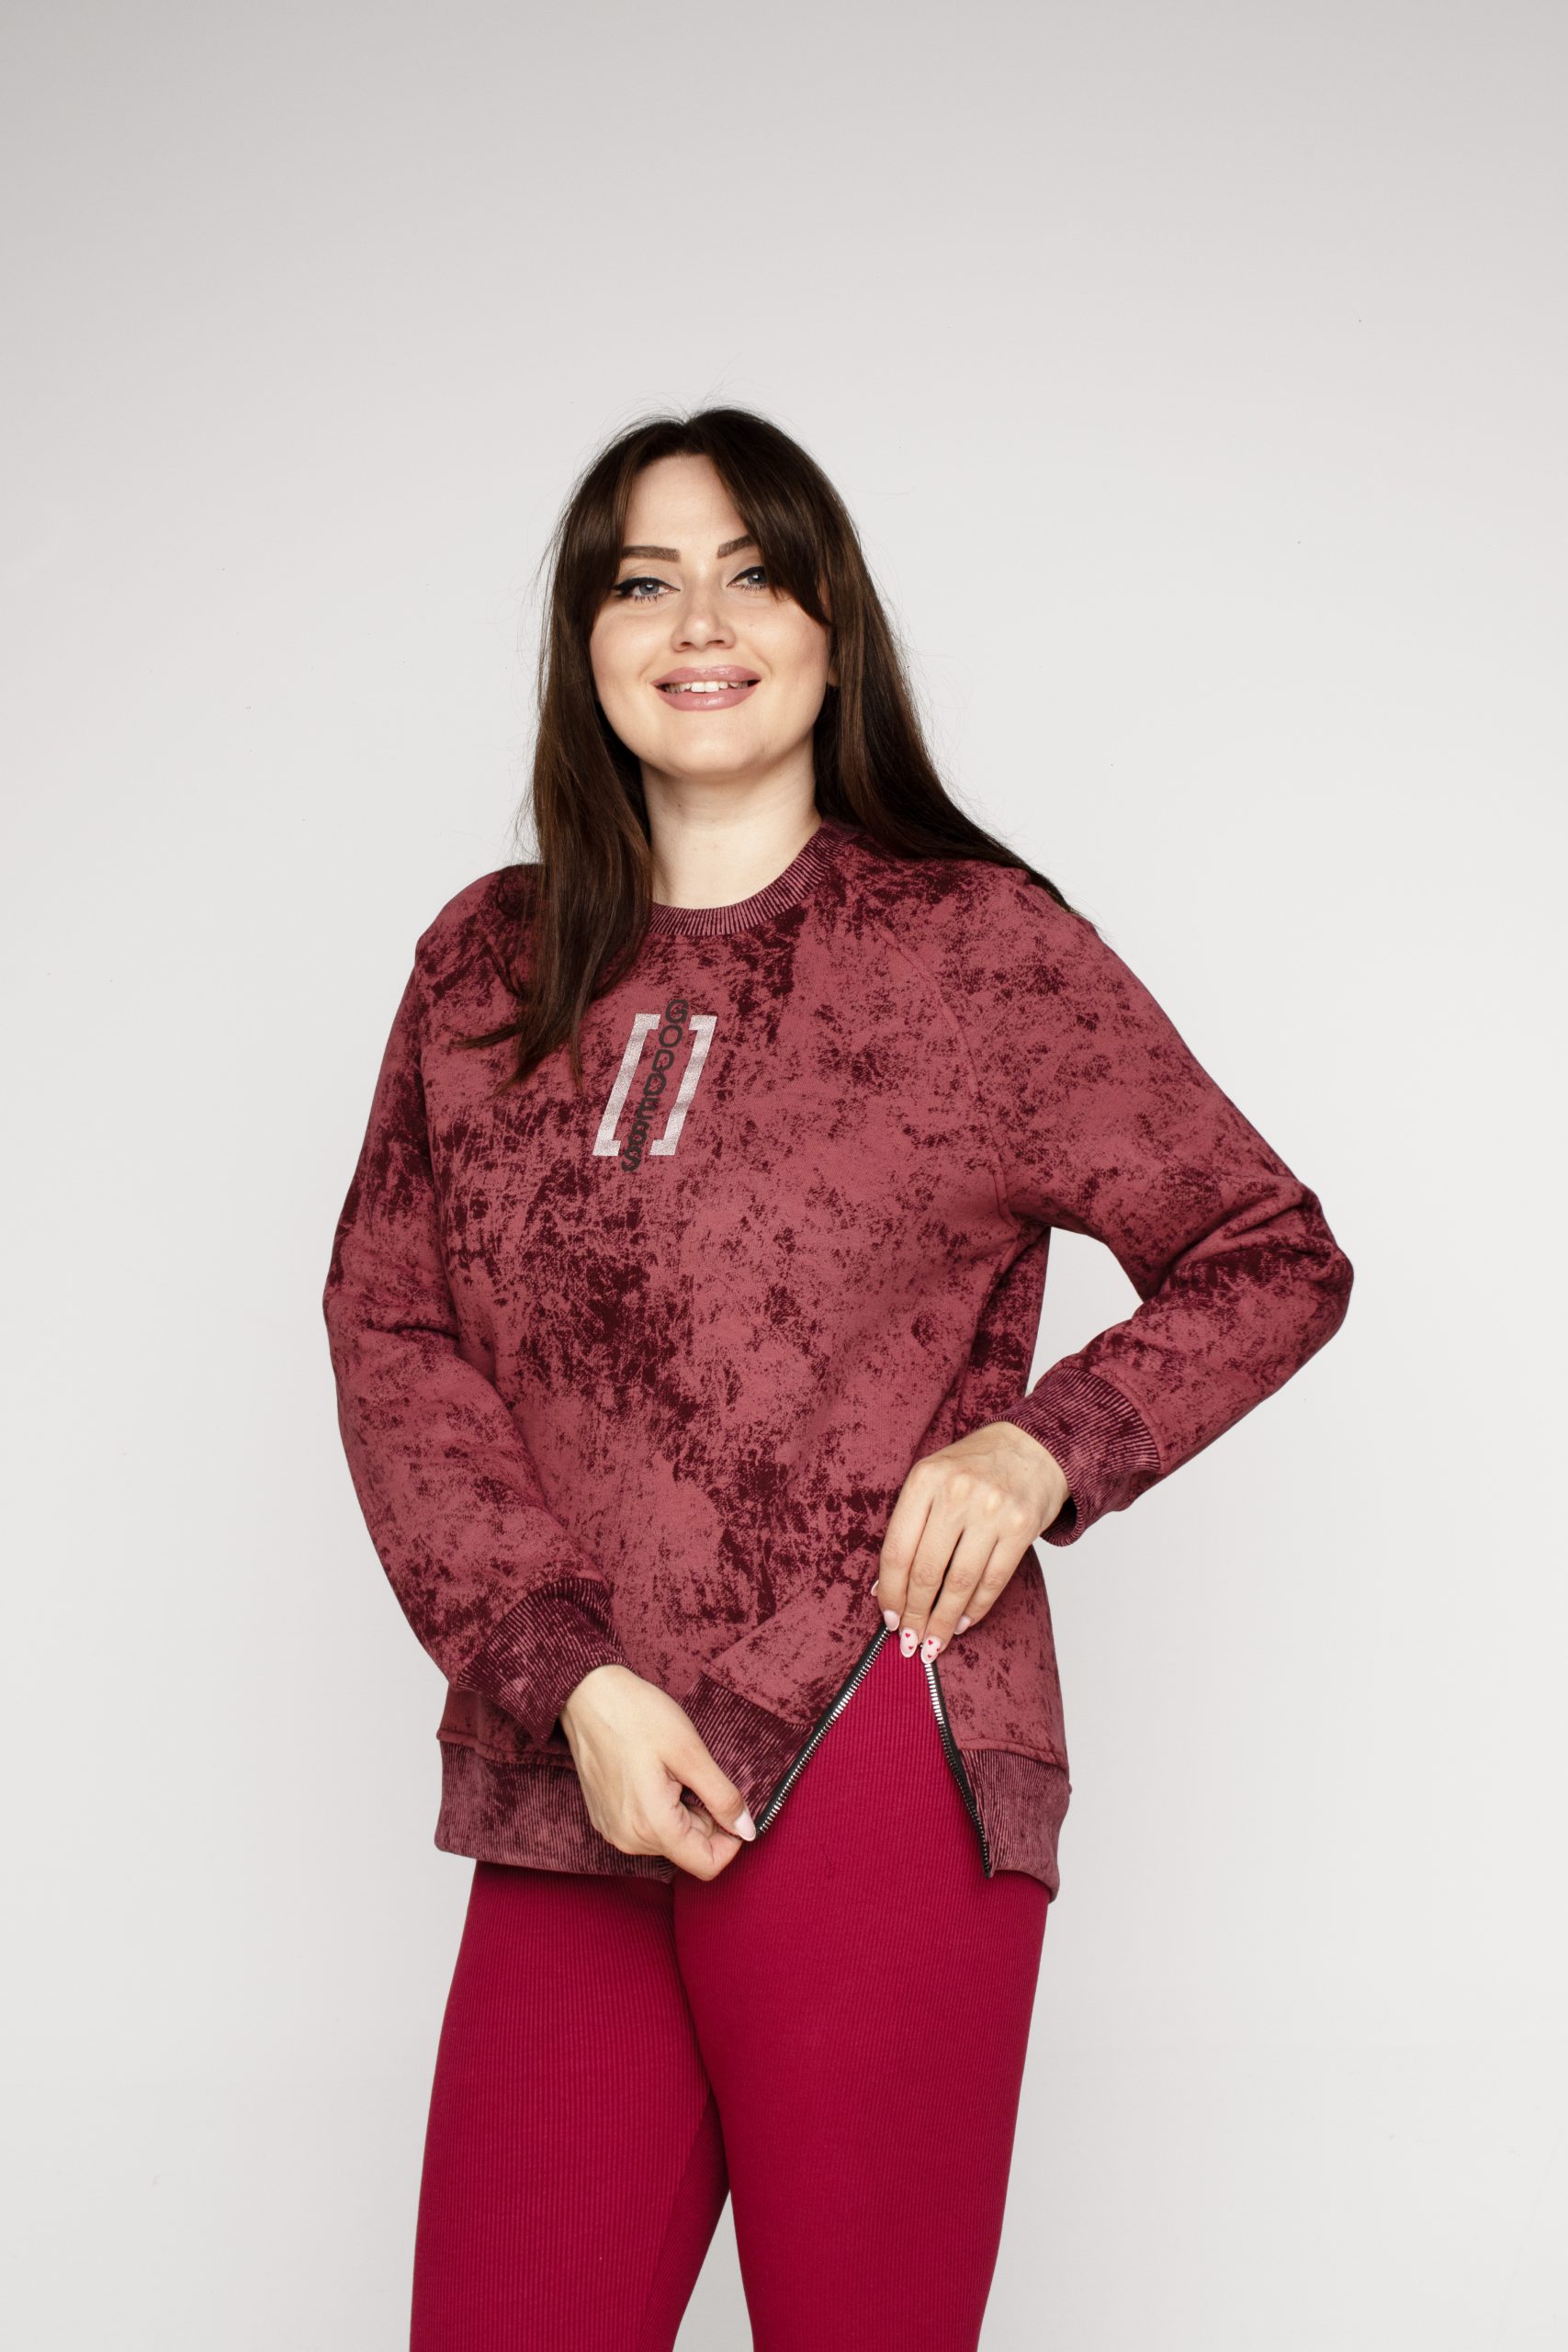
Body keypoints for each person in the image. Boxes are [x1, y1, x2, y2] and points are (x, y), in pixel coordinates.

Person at [321, 405, 1354, 2352]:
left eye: (753, 573)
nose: (699, 622)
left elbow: (1269, 1252)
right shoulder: (485, 963)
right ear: (586, 638)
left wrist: (1042, 1450)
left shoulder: (974, 951)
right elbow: (391, 1335)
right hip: (577, 1757)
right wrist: (571, 1680)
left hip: (872, 1727)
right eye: (645, 580)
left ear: (828, 626)